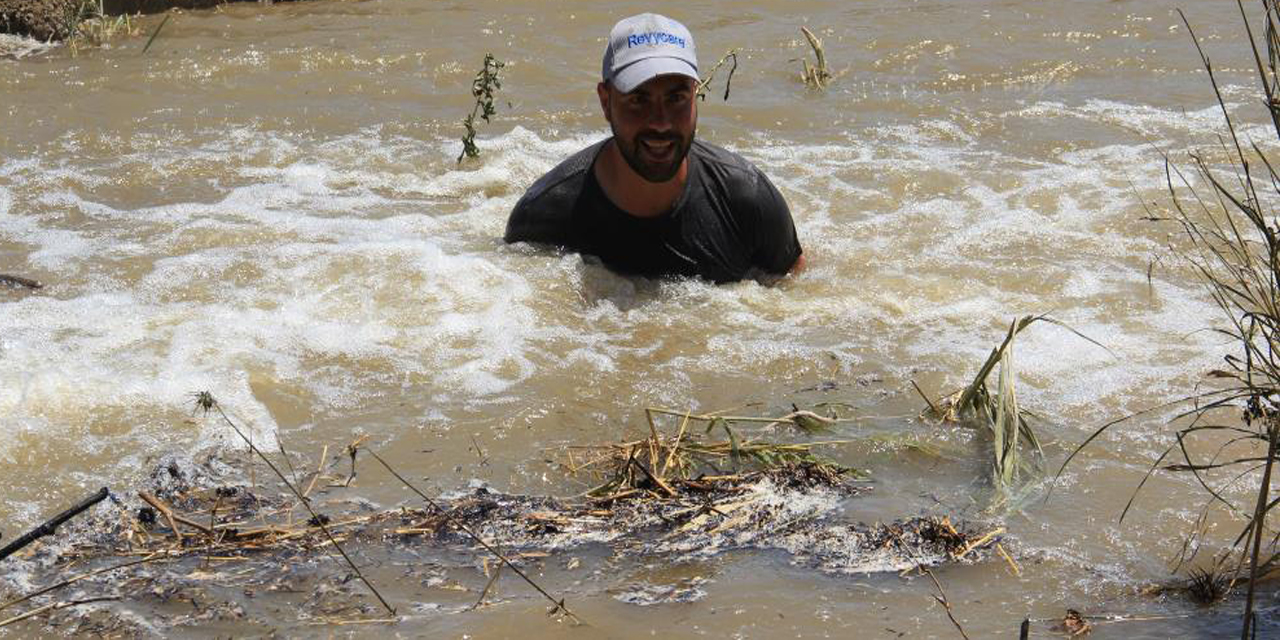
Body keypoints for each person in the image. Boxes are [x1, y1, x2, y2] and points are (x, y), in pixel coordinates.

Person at [504, 13, 805, 284]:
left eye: (676, 99)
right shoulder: (543, 217)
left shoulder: (748, 201)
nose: (661, 124)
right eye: (639, 99)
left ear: (695, 95)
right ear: (606, 101)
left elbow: (798, 303)